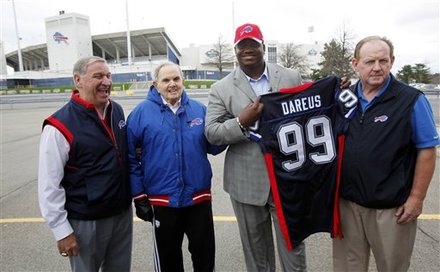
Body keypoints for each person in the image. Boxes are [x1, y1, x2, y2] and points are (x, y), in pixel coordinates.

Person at [204, 22, 307, 272]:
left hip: (287, 178)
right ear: (236, 50)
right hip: (246, 182)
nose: (247, 49)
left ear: (263, 46)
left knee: (293, 249)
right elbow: (211, 133)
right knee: (256, 254)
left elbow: (309, 112)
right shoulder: (221, 88)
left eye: (252, 44)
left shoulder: (290, 76)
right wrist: (241, 122)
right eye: (242, 45)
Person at [333, 36, 440, 271]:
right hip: (348, 204)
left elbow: (427, 150)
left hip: (391, 209)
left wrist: (417, 198)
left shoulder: (411, 99)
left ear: (392, 61)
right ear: (355, 64)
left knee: (392, 267)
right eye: (370, 61)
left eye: (383, 60)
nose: (377, 67)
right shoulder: (344, 98)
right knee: (347, 267)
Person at [127, 62, 225, 272]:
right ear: (155, 84)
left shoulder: (199, 110)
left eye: (176, 79)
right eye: (166, 80)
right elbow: (130, 158)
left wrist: (229, 124)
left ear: (183, 81)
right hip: (163, 201)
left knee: (205, 260)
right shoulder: (140, 114)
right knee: (169, 262)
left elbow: (214, 146)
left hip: (198, 200)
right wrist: (138, 196)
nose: (172, 84)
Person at [38, 56, 133, 271]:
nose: (106, 82)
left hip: (121, 215)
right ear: (77, 80)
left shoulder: (116, 110)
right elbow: (49, 185)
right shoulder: (58, 126)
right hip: (86, 222)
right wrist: (62, 230)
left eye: (108, 76)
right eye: (98, 76)